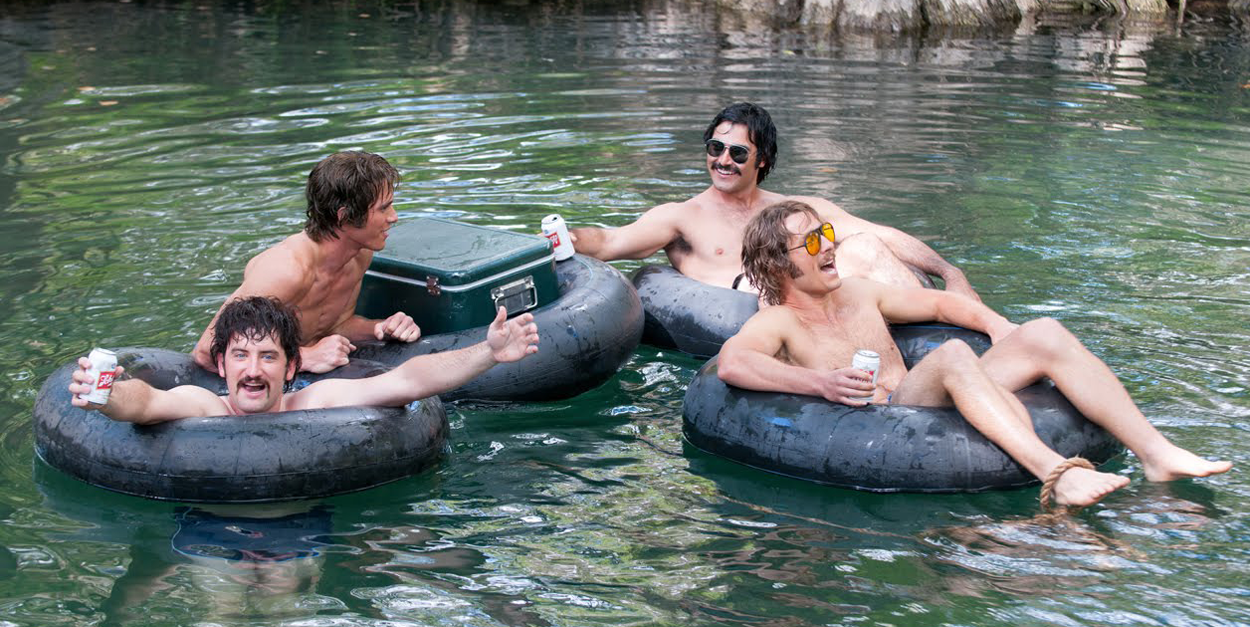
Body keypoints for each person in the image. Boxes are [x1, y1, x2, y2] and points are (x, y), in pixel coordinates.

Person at [717, 200, 1230, 508]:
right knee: (953, 356)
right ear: (778, 264)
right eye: (810, 243)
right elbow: (733, 363)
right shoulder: (779, 320)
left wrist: (997, 323)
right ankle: (1059, 474)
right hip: (883, 419)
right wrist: (820, 384)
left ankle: (1157, 454)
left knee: (1045, 332)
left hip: (919, 395)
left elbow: (941, 304)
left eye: (825, 233)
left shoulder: (858, 292)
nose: (828, 246)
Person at [570, 102, 979, 299]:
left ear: (761, 159)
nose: (723, 161)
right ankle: (943, 321)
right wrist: (563, 239)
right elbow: (609, 242)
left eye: (737, 153)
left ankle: (946, 321)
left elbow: (878, 234)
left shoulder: (794, 210)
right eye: (715, 148)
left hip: (819, 298)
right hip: (744, 303)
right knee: (860, 252)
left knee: (865, 244)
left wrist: (951, 273)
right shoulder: (681, 217)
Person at [70, 296, 539, 422]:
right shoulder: (205, 406)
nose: (253, 370)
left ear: (292, 367)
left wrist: (489, 352)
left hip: (299, 525)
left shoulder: (316, 401)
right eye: (240, 356)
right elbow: (146, 402)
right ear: (222, 365)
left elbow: (408, 381)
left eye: (268, 357)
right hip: (212, 525)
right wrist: (105, 394)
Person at [192, 151, 419, 375]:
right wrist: (305, 358)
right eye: (383, 208)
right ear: (344, 216)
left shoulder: (358, 255)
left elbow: (337, 326)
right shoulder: (286, 270)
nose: (394, 217)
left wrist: (380, 328)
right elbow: (206, 352)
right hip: (255, 381)